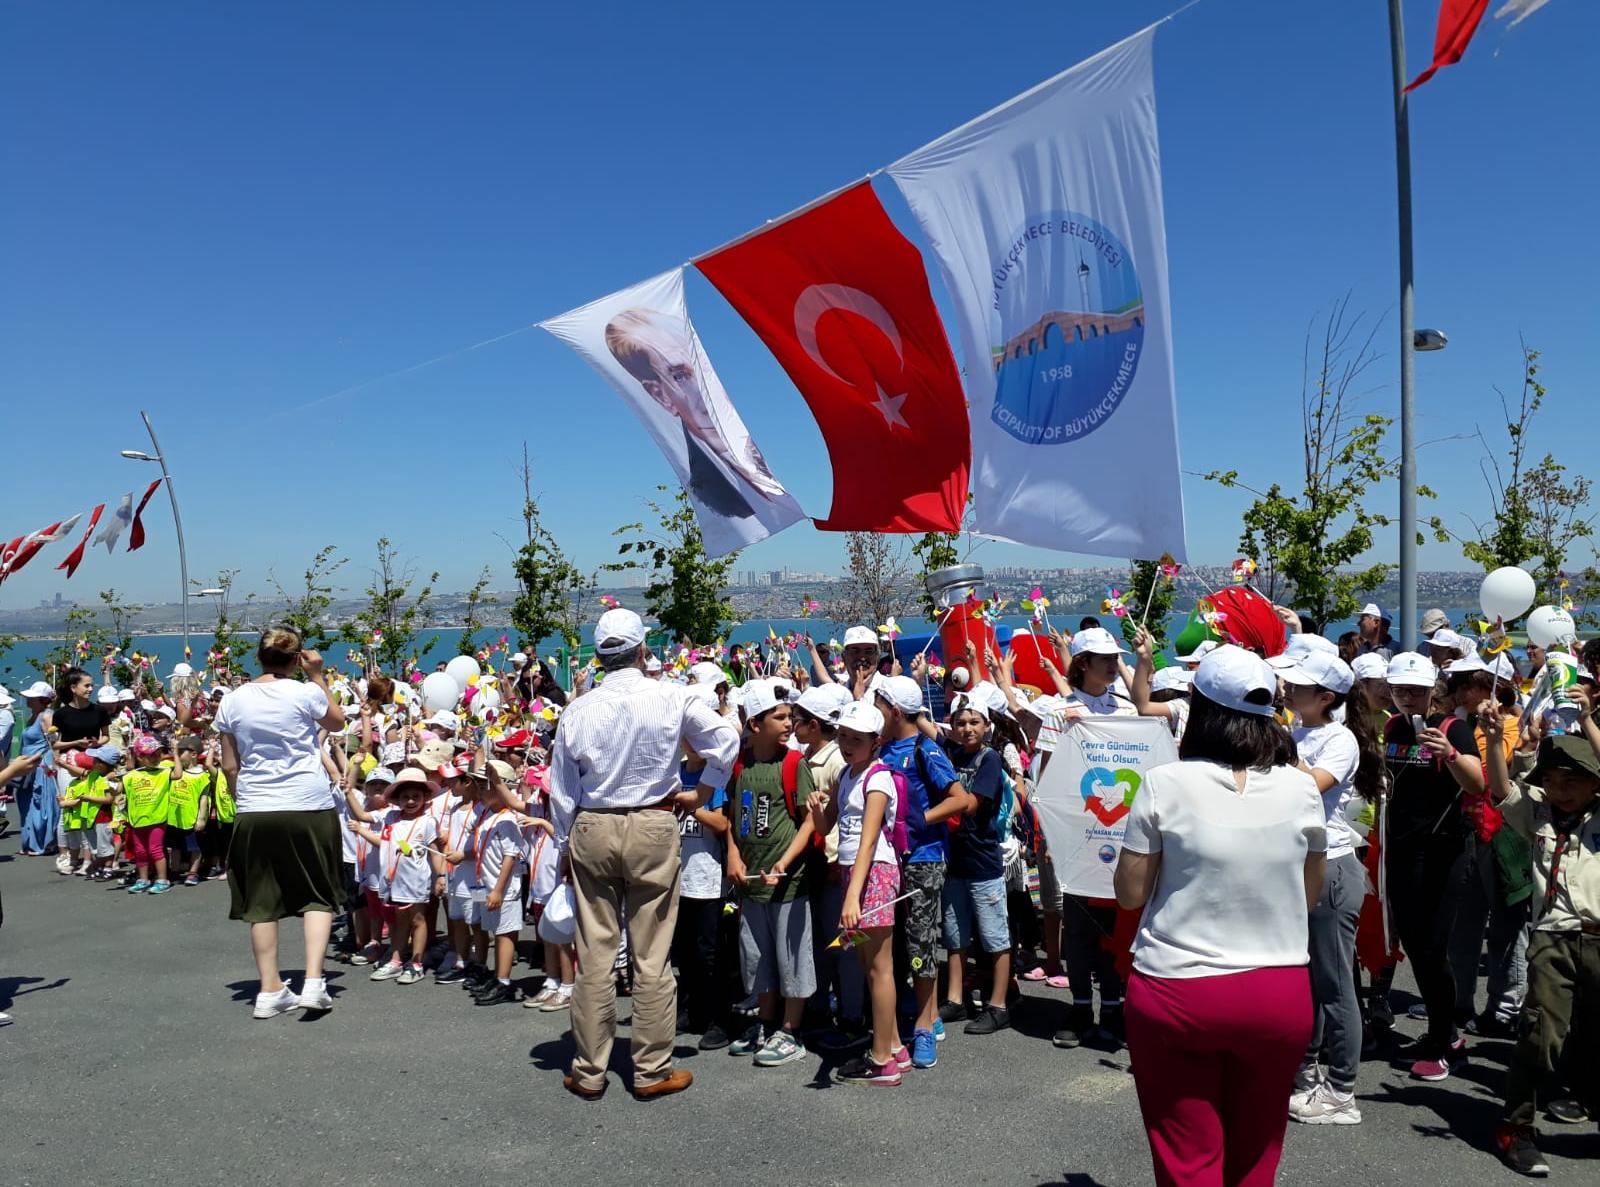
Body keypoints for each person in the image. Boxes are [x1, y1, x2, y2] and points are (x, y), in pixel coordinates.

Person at [1115, 645, 1327, 1187]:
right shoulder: (1303, 788)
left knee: (1188, 1160)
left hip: (1178, 988)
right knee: (1257, 1154)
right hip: (1277, 990)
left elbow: (1130, 894)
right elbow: (1307, 896)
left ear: (1199, 707)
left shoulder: (1164, 783)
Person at [547, 607, 739, 1101]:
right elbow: (725, 740)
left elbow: (562, 791)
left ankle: (589, 1070)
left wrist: (566, 845)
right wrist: (703, 791)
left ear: (600, 655)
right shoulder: (671, 695)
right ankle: (652, 1068)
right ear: (641, 650)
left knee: (595, 954)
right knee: (651, 955)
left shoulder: (578, 708)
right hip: (654, 819)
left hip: (593, 821)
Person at [1481, 713, 1600, 1177]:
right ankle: (1517, 1128)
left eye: (1572, 779)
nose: (1559, 789)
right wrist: (1494, 741)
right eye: (1551, 779)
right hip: (1554, 936)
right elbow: (1501, 788)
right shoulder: (1541, 813)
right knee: (1540, 1034)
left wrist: (1587, 719)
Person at [212, 627, 347, 1020]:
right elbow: (336, 723)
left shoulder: (232, 700)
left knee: (261, 901)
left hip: (256, 805)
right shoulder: (305, 692)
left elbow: (230, 764)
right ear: (296, 658)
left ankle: (270, 988)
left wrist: (244, 801)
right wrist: (318, 676)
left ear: (259, 657)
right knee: (318, 892)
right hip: (307, 802)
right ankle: (313, 982)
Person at [1282, 651, 1383, 1125]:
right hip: (1297, 864)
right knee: (1306, 977)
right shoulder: (1294, 733)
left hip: (1332, 864)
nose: (1288, 691)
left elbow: (1313, 784)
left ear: (1326, 697)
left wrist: (1277, 748)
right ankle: (1309, 1068)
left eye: (1299, 687)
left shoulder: (1339, 739)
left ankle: (1342, 1090)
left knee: (1336, 981)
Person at [1382, 650, 1484, 1081]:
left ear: (1432, 692)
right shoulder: (1392, 726)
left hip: (1444, 851)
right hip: (1403, 848)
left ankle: (1447, 1040)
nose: (1407, 696)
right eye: (1399, 689)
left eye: (1416, 690)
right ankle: (1442, 1031)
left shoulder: (1453, 728)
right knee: (1414, 944)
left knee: (1432, 947)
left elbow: (1479, 784)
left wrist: (1450, 755)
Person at [875, 673, 974, 1069]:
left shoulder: (924, 748)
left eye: (880, 705)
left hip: (924, 859)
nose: (875, 711)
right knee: (897, 944)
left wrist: (916, 821)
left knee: (920, 944)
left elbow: (960, 798)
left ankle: (923, 1024)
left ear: (895, 710)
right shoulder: (881, 748)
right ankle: (919, 1013)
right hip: (891, 860)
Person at [605, 306, 786, 518]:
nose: (705, 391)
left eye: (700, 367)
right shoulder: (707, 487)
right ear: (660, 395)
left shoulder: (754, 447)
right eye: (681, 376)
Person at [808, 699, 907, 1085]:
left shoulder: (877, 777)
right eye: (843, 736)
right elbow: (827, 825)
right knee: (869, 966)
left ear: (875, 741)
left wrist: (853, 897)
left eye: (856, 738)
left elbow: (868, 841)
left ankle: (882, 1058)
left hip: (874, 875)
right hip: (856, 873)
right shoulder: (848, 775)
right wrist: (817, 809)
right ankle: (894, 1046)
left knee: (879, 968)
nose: (847, 744)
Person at [724, 678, 818, 1069]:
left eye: (788, 715)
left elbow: (811, 820)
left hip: (788, 882)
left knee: (792, 954)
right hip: (750, 882)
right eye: (778, 717)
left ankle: (791, 1029)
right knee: (757, 954)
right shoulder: (741, 763)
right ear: (755, 724)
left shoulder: (794, 763)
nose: (787, 722)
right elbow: (732, 815)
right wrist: (732, 853)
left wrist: (786, 861)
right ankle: (765, 1021)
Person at [938, 691, 1013, 1035]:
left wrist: (929, 815)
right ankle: (956, 999)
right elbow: (923, 725)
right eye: (961, 722)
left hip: (983, 862)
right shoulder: (951, 752)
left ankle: (998, 1005)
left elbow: (970, 804)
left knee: (995, 936)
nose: (967, 729)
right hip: (956, 861)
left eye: (974, 722)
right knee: (955, 935)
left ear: (987, 726)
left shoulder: (991, 760)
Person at [122, 734, 173, 893]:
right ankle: (143, 879)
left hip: (157, 819)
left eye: (158, 754)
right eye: (151, 755)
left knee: (155, 849)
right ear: (140, 757)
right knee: (140, 851)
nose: (156, 757)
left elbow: (178, 774)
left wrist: (176, 752)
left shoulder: (164, 772)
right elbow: (117, 790)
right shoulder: (131, 775)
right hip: (137, 820)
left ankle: (162, 880)